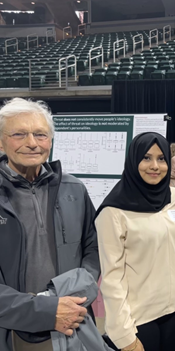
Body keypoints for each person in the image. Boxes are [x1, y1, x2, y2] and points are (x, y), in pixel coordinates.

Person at [0, 98, 100, 351]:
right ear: (1, 141)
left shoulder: (74, 189)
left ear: (51, 141)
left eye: (40, 134)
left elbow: (94, 250)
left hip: (72, 324)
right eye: (19, 134)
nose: (31, 143)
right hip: (11, 330)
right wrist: (45, 310)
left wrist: (75, 298)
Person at [95, 132, 175, 351]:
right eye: (146, 158)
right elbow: (111, 278)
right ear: (133, 160)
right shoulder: (113, 210)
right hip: (139, 317)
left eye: (161, 158)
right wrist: (123, 334)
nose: (155, 166)